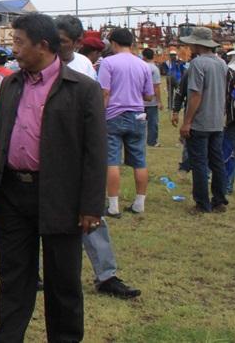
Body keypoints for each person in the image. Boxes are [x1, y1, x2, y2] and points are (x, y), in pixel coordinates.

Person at [0, 13, 106, 343]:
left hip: (60, 197)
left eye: (19, 42)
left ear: (42, 45)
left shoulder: (82, 89)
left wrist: (91, 206)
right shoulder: (11, 84)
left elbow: (95, 152)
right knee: (13, 276)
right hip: (13, 194)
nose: (14, 49)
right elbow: (0, 139)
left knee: (62, 280)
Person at [53, 16, 141, 300]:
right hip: (45, 154)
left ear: (77, 43)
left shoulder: (83, 66)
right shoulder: (37, 63)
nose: (56, 46)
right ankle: (37, 273)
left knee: (92, 213)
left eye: (63, 41)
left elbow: (92, 108)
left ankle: (106, 275)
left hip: (76, 152)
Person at [98, 28, 153, 217]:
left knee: (112, 160)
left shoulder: (108, 63)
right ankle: (139, 203)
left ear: (113, 43)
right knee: (140, 160)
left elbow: (105, 92)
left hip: (114, 115)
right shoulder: (143, 65)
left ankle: (113, 206)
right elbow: (149, 95)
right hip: (137, 115)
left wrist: (100, 114)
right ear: (131, 43)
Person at [176, 27, 229, 213]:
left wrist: (187, 121)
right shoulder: (221, 63)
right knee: (217, 161)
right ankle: (220, 200)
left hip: (200, 122)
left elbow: (195, 95)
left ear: (197, 44)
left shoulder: (197, 64)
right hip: (217, 121)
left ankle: (202, 203)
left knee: (199, 163)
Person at [141, 48, 163, 147]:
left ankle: (138, 140)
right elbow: (156, 86)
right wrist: (159, 101)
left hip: (140, 100)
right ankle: (152, 141)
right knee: (153, 122)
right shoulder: (154, 69)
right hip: (151, 100)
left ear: (144, 56)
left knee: (139, 122)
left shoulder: (140, 67)